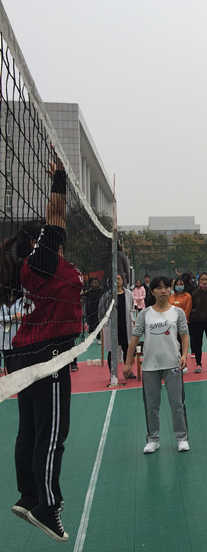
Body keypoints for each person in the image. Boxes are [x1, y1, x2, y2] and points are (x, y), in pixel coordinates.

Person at [3, 160, 78, 541]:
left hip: (25, 353)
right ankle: (48, 506)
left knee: (31, 429)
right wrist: (59, 179)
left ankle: (29, 495)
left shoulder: (30, 267)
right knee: (52, 433)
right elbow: (56, 213)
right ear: (40, 241)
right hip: (46, 355)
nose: (60, 238)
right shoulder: (42, 260)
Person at [124, 276, 190, 454]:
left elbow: (184, 335)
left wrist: (184, 355)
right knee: (151, 406)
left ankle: (182, 438)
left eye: (166, 287)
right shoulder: (145, 314)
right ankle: (153, 439)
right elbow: (134, 339)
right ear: (152, 291)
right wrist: (128, 363)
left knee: (177, 404)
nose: (163, 291)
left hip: (173, 365)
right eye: (159, 288)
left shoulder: (178, 313)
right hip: (149, 367)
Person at [100, 274, 134, 384]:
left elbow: (132, 308)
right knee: (112, 352)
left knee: (127, 350)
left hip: (125, 326)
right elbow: (102, 310)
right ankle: (113, 374)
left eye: (119, 279)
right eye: (115, 279)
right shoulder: (107, 295)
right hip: (112, 327)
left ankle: (128, 372)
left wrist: (133, 321)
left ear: (123, 281)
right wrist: (103, 324)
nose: (117, 281)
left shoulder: (129, 294)